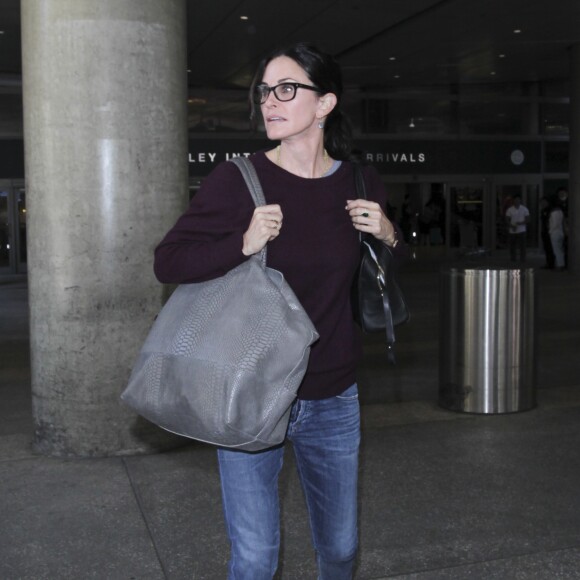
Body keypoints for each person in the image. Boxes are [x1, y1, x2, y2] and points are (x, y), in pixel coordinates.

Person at [153, 42, 402, 579]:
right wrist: (240, 244)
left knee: (339, 550)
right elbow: (167, 261)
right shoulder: (237, 180)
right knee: (256, 558)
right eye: (264, 90)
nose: (270, 101)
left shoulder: (360, 182)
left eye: (286, 89)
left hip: (333, 395)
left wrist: (387, 233)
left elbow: (380, 268)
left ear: (324, 103)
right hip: (250, 389)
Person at [505, 195, 530, 262]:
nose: (517, 201)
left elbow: (527, 219)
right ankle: (513, 258)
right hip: (512, 230)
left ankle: (522, 259)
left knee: (522, 246)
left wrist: (521, 223)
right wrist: (511, 225)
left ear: (520, 200)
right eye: (515, 200)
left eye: (518, 199)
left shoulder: (524, 209)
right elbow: (507, 219)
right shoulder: (510, 209)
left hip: (522, 230)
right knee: (512, 246)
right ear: (513, 201)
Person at [549, 201, 566, 271]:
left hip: (554, 232)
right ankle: (561, 264)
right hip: (560, 232)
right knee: (560, 249)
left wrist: (550, 231)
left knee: (556, 250)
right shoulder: (561, 212)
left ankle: (559, 265)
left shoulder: (553, 213)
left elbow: (554, 224)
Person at [539, 196, 555, 269]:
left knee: (550, 248)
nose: (542, 203)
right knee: (546, 248)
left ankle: (551, 264)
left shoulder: (550, 210)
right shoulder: (543, 210)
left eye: (544, 202)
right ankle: (548, 263)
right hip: (544, 231)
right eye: (541, 202)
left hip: (549, 232)